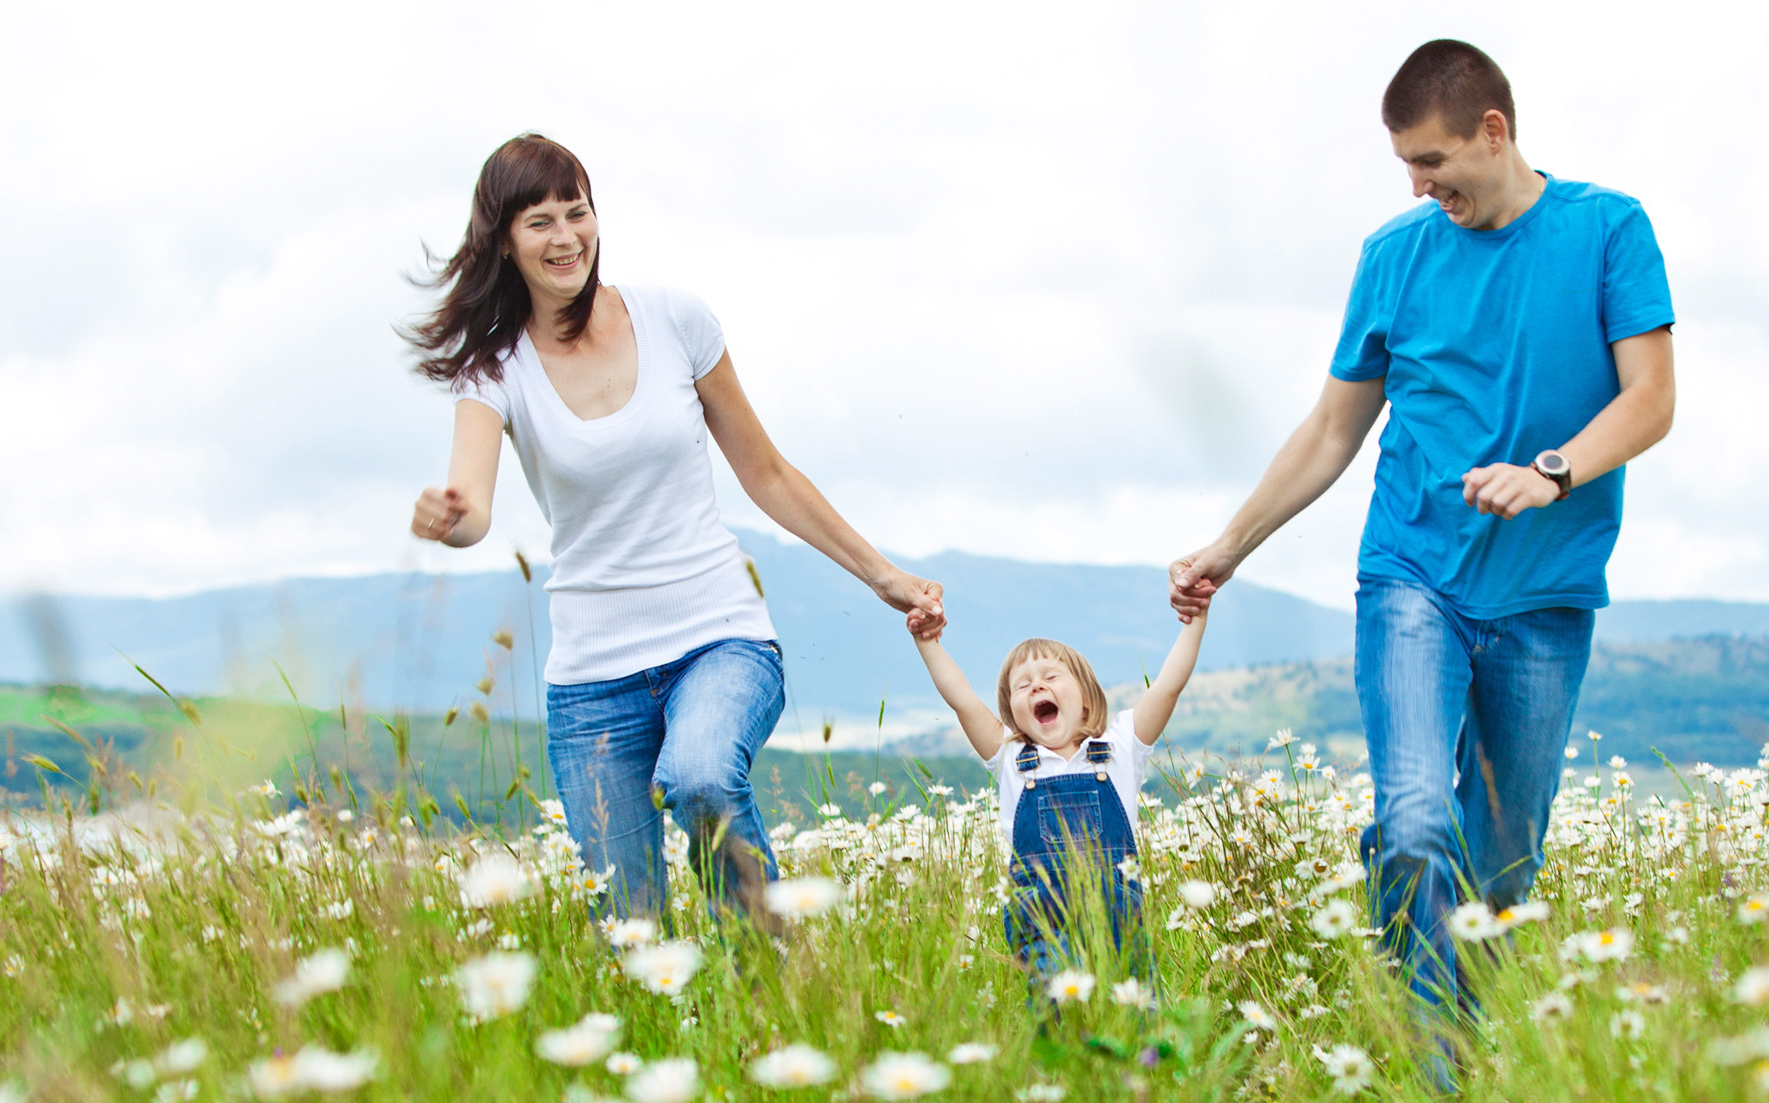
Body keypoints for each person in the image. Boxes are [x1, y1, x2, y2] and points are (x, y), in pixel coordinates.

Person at [1167, 40, 1677, 1010]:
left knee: (1501, 870)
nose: (1417, 185)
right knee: (1409, 824)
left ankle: (1467, 1040)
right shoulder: (1392, 256)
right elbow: (1330, 430)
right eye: (1405, 164)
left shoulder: (1609, 229)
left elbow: (1649, 400)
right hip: (1413, 577)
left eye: (1432, 162)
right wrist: (1226, 547)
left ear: (1493, 132)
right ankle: (1425, 1054)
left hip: (1545, 596)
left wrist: (1550, 473)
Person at [405, 133, 944, 921]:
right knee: (630, 930)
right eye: (540, 223)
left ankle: (774, 976)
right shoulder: (496, 369)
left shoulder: (673, 321)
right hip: (592, 682)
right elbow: (473, 506)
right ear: (504, 241)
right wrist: (446, 519)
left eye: (576, 213)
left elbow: (768, 475)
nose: (566, 238)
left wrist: (885, 578)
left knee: (700, 779)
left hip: (718, 637)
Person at [912, 610, 1208, 978]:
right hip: (1043, 928)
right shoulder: (1011, 758)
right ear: (1013, 713)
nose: (1036, 686)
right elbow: (963, 700)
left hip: (1120, 926)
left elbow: (1167, 686)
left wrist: (1196, 619)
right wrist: (927, 642)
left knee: (1136, 1023)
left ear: (1086, 697)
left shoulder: (1119, 747)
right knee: (1061, 1017)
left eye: (1051, 676)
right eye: (1021, 685)